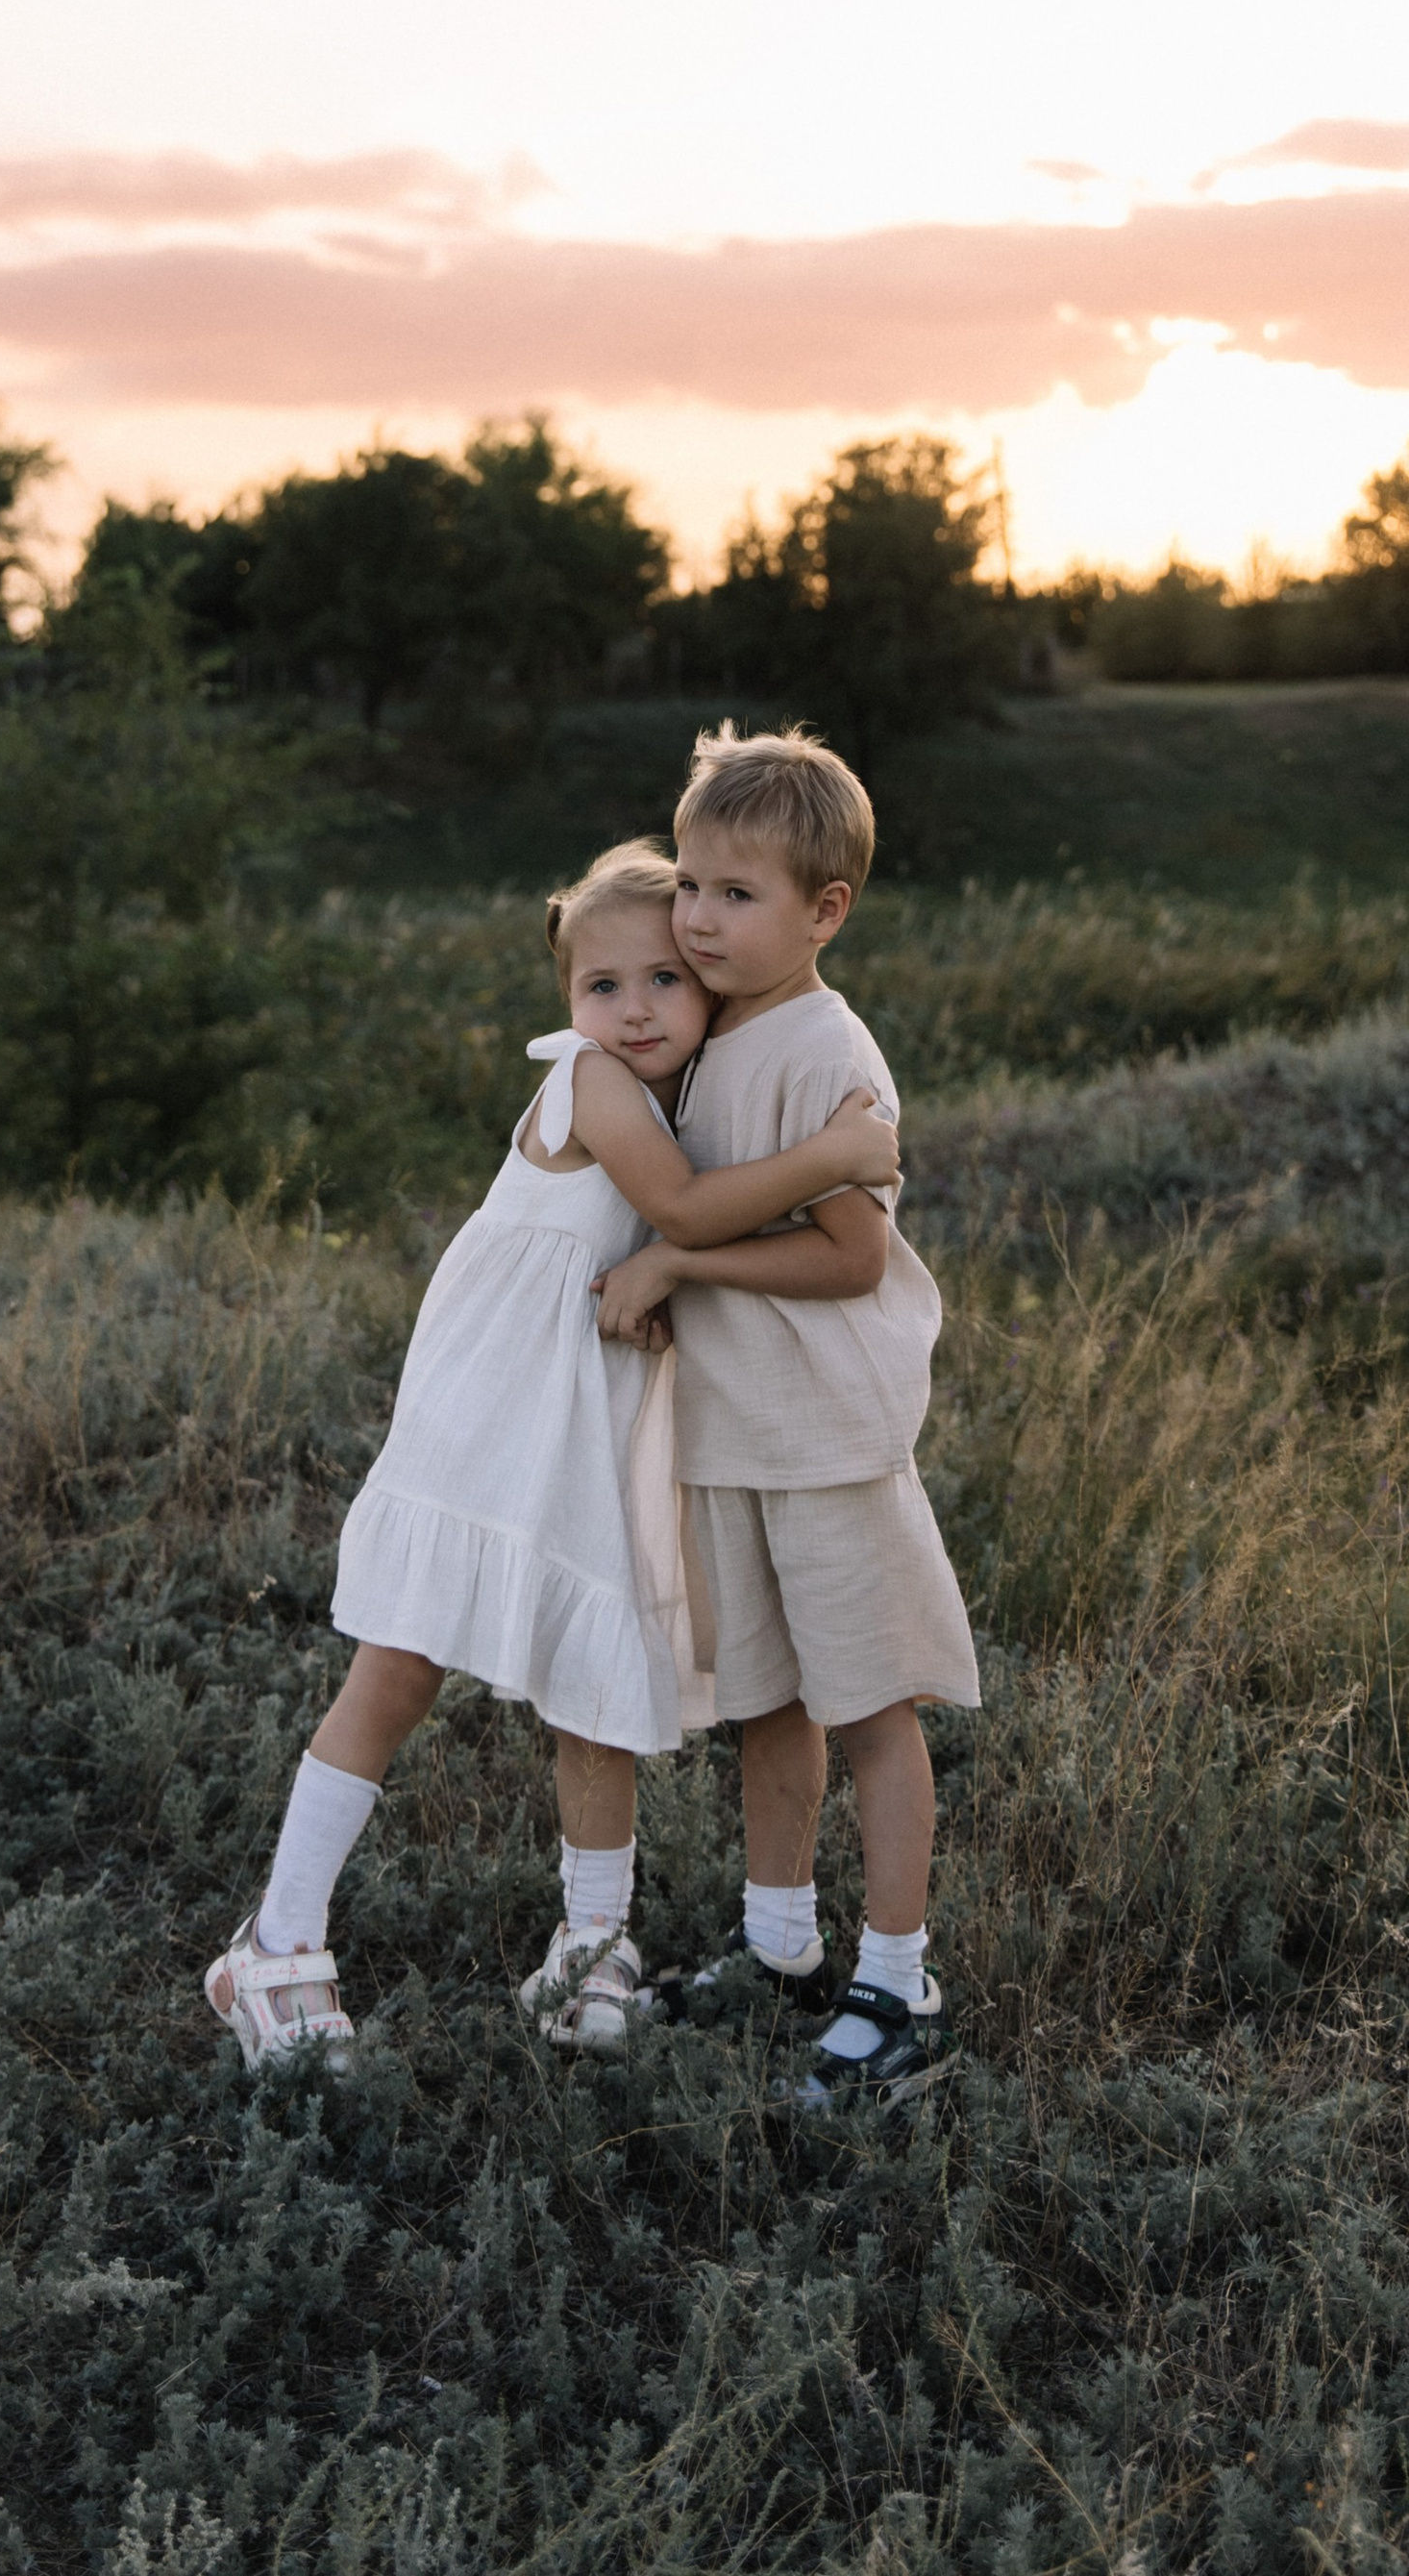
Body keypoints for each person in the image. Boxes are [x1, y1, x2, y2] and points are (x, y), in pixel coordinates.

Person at [203, 845, 904, 2072]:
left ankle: (590, 1948)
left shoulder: (692, 1090)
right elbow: (686, 1215)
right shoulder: (592, 1084)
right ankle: (273, 1939)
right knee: (401, 1662)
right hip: (497, 1408)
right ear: (566, 1003)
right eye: (599, 985)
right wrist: (840, 1159)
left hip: (586, 1420)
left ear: (708, 988)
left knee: (595, 1679)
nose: (632, 1008)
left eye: (661, 982)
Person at [593, 727, 980, 2106]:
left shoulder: (826, 1048)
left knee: (870, 1707)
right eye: (689, 882)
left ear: (825, 910)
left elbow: (852, 1258)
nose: (695, 916)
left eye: (734, 894)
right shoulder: (705, 1032)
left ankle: (899, 1977)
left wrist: (685, 1258)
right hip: (730, 1432)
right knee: (767, 1703)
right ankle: (778, 1948)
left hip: (825, 1434)